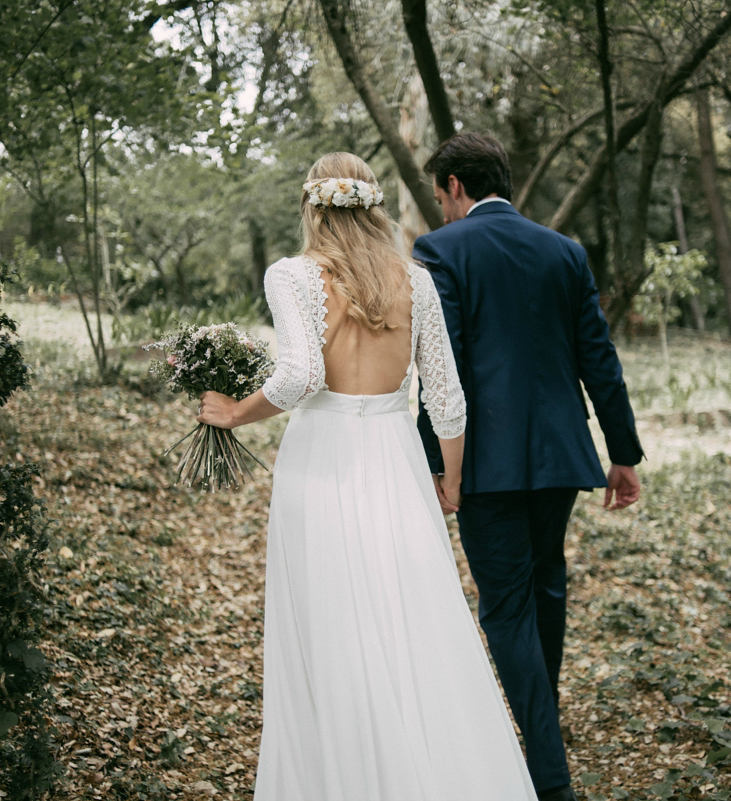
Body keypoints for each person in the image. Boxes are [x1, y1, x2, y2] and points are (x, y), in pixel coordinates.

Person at [197, 152, 538, 800]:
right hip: (396, 460)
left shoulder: (293, 276)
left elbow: (300, 376)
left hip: (320, 464)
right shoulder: (414, 281)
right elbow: (448, 399)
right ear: (373, 206)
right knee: (413, 625)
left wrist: (236, 411)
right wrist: (452, 481)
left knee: (327, 635)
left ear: (313, 206)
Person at [413, 132, 645, 801]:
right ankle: (542, 722)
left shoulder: (440, 250)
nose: (443, 211)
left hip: (484, 461)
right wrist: (621, 452)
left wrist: (438, 464)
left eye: (440, 197)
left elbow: (443, 369)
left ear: (455, 185)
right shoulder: (563, 250)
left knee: (506, 606)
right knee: (546, 582)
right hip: (560, 455)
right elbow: (597, 356)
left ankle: (549, 777)